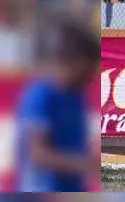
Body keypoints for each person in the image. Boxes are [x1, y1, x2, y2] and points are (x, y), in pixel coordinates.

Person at [14, 24, 100, 192]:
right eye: (89, 65)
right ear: (71, 60)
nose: (92, 73)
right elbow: (37, 154)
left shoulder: (77, 97)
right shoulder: (40, 96)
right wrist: (83, 164)